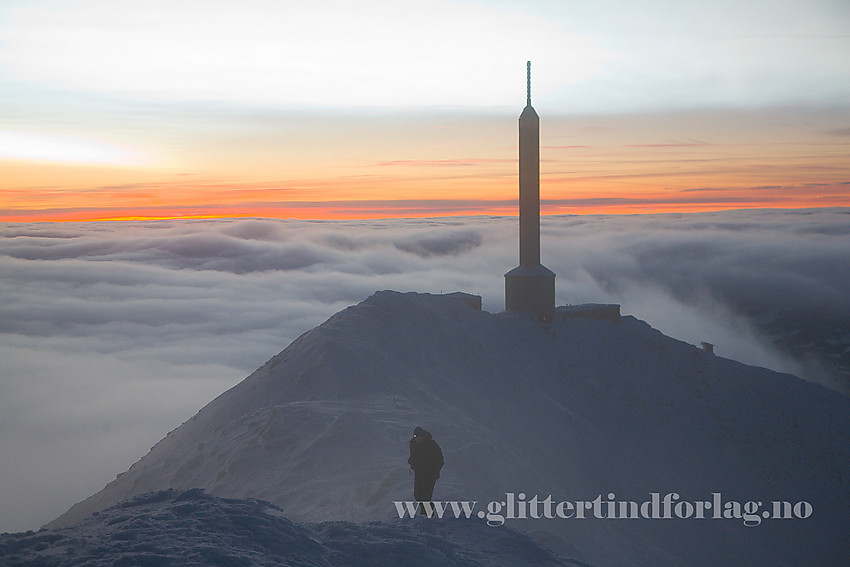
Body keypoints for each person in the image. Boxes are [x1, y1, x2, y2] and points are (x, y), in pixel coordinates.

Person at [407, 426, 444, 517]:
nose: (417, 438)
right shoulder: (413, 444)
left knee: (425, 496)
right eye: (415, 436)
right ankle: (427, 514)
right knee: (418, 495)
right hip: (419, 473)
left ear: (423, 436)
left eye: (419, 436)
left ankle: (427, 515)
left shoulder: (431, 445)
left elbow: (440, 459)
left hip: (430, 474)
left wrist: (434, 470)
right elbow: (415, 457)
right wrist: (412, 462)